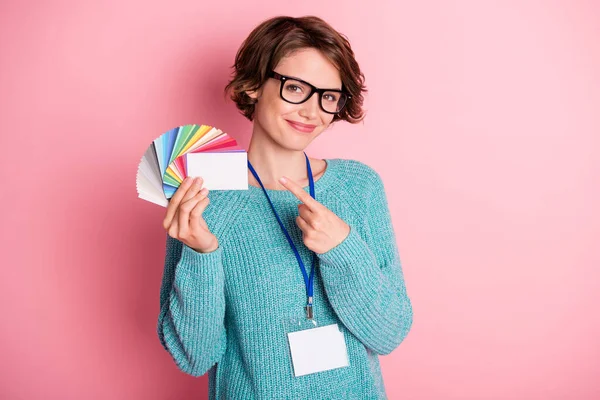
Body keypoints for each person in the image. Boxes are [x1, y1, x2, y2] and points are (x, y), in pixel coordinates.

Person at [157, 15, 413, 400]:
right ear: (255, 85)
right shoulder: (203, 193)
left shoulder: (358, 187)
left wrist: (343, 249)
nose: (312, 111)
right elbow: (194, 357)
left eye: (328, 96)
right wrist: (201, 254)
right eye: (296, 88)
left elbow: (390, 332)